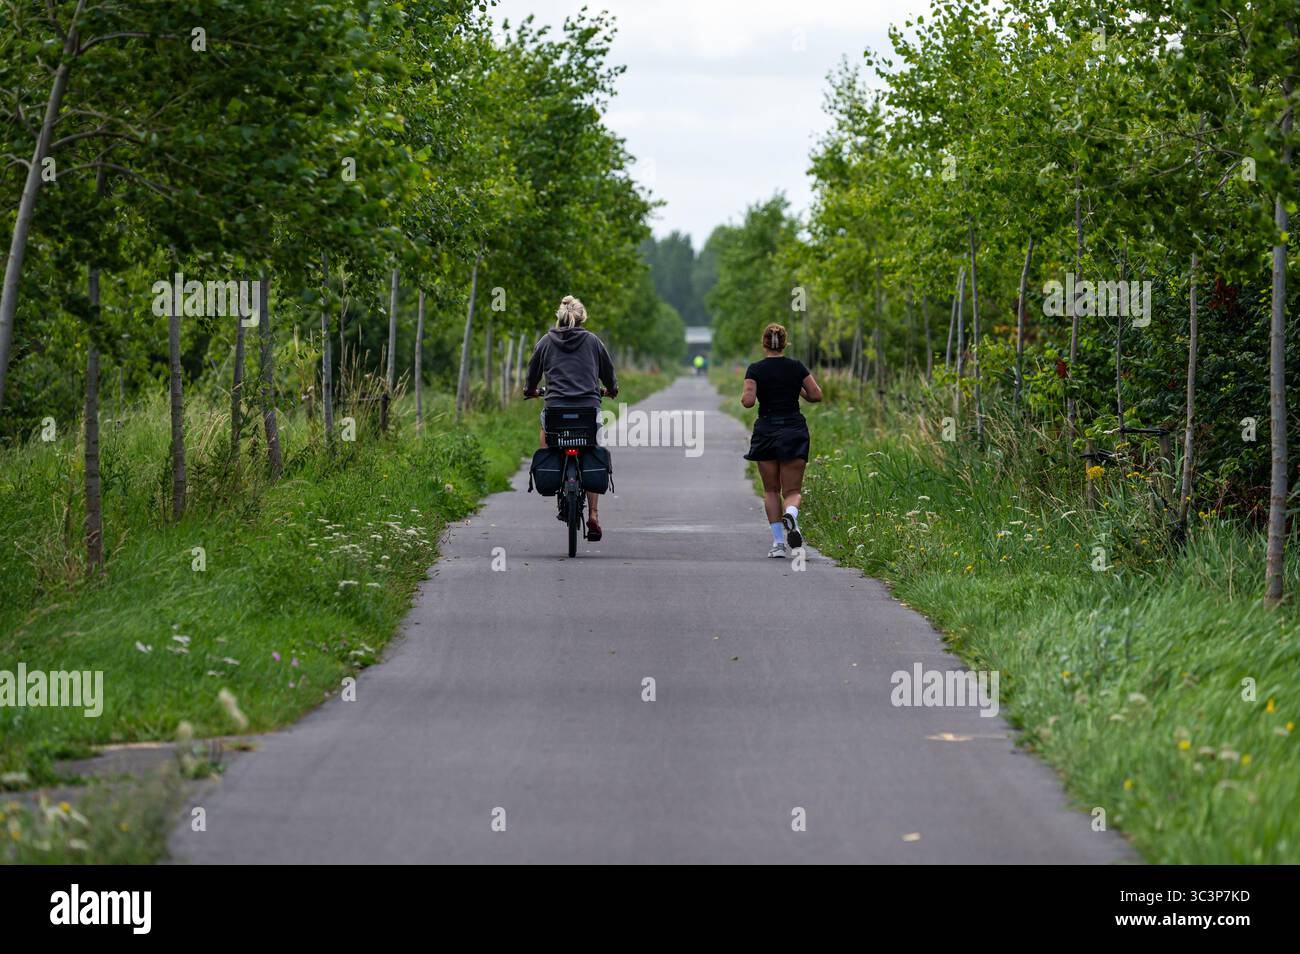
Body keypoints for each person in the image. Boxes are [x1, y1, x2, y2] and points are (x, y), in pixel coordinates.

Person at [524, 295, 618, 541]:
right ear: (582, 317)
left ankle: (553, 472)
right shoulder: (593, 341)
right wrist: (612, 390)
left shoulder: (545, 341)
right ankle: (594, 515)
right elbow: (608, 372)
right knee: (592, 446)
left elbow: (532, 372)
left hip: (555, 409)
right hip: (588, 408)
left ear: (560, 316)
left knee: (546, 432)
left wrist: (530, 390)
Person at [740, 322, 822, 558]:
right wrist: (798, 390)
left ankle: (778, 544)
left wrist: (749, 393)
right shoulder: (796, 367)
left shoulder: (755, 369)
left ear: (764, 343)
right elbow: (816, 395)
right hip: (793, 430)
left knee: (771, 490)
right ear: (785, 343)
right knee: (793, 490)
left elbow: (747, 401)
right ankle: (792, 516)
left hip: (766, 430)